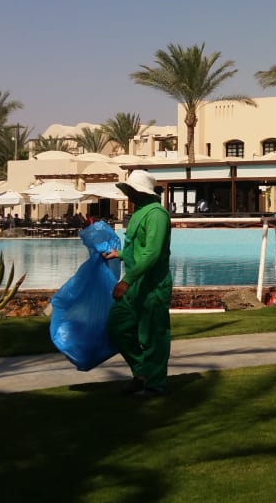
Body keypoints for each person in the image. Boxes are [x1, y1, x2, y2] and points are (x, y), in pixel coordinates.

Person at [102, 170, 173, 397]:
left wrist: (126, 281)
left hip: (152, 286)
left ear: (142, 192)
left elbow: (152, 253)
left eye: (131, 190)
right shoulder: (139, 213)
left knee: (153, 336)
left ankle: (154, 384)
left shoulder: (157, 215)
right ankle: (142, 372)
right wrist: (120, 254)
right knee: (118, 326)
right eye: (128, 189)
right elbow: (139, 249)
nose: (129, 194)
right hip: (136, 284)